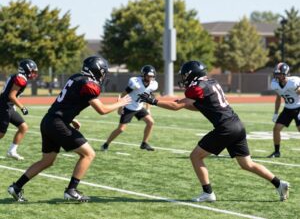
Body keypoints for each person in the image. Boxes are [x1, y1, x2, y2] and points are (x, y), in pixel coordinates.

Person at [138, 60, 290, 202]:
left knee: (195, 156)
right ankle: (279, 183)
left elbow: (176, 106)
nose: (184, 78)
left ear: (192, 73)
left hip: (225, 127)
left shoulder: (196, 87)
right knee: (247, 164)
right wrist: (178, 104)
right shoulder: (211, 82)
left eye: (185, 75)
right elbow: (200, 106)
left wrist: (153, 101)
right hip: (237, 124)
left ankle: (208, 193)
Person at [8, 56, 131, 202]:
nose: (104, 74)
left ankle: (16, 187)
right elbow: (102, 110)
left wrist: (70, 119)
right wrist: (120, 103)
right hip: (57, 123)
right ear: (97, 71)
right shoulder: (89, 84)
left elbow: (65, 101)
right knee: (88, 154)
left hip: (49, 121)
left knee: (47, 160)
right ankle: (71, 190)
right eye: (103, 71)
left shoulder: (76, 78)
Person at [101, 65, 158, 151]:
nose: (150, 77)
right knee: (121, 129)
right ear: (143, 75)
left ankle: (144, 143)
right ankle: (106, 144)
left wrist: (148, 109)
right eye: (148, 75)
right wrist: (120, 107)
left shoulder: (153, 84)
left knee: (150, 122)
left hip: (139, 107)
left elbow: (148, 96)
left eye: (152, 76)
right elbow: (123, 94)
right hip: (129, 107)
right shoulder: (136, 83)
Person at [0, 59, 38, 160]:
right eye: (33, 71)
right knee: (1, 134)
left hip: (9, 106)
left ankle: (12, 151)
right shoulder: (21, 79)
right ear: (27, 70)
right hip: (4, 106)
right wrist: (22, 107)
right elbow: (11, 96)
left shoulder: (18, 76)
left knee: (23, 127)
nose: (34, 74)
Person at [268, 62, 300, 158]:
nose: (277, 76)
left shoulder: (293, 82)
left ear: (285, 73)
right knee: (276, 129)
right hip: (288, 109)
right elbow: (278, 98)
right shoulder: (275, 84)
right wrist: (276, 113)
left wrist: (298, 90)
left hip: (298, 108)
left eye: (279, 73)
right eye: (276, 73)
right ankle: (277, 152)